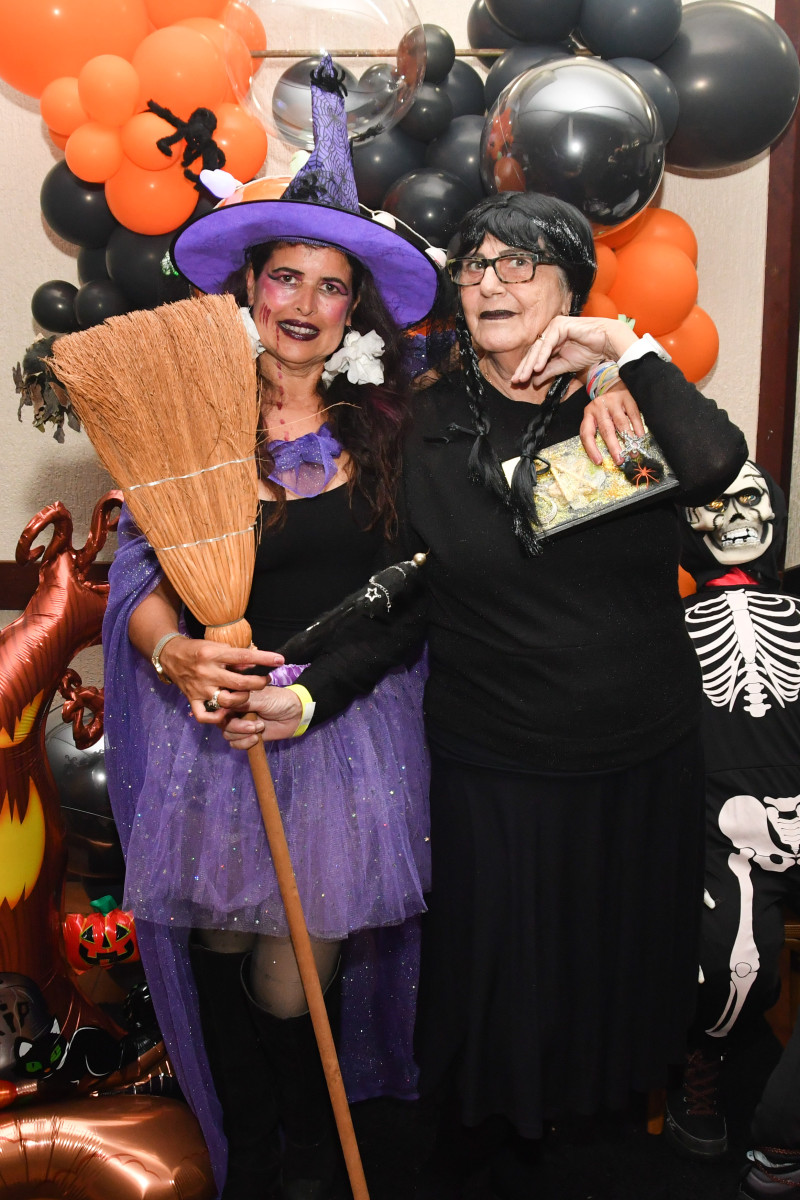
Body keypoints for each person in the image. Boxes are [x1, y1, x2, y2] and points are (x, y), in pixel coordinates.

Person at [225, 190, 749, 1198]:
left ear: (570, 284)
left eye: (520, 262)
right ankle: (488, 1151)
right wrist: (308, 699)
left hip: (635, 758)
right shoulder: (415, 423)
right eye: (474, 264)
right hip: (494, 762)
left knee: (612, 976)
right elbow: (400, 605)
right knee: (495, 990)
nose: (491, 281)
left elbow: (715, 462)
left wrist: (620, 351)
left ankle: (596, 1143)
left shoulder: (623, 401)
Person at [102, 58, 441, 1200]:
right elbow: (142, 574)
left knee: (292, 979)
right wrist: (172, 650)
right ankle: (248, 1153)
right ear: (251, 287)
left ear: (354, 309)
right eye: (284, 276)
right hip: (212, 737)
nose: (302, 303)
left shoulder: (393, 431)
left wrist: (309, 694)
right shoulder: (194, 421)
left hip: (336, 735)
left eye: (330, 287)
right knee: (215, 950)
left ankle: (306, 1151)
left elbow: (413, 600)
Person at [664, 463, 800, 1198]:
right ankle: (702, 1060)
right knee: (732, 969)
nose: (733, 517)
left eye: (748, 499)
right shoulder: (667, 629)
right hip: (726, 828)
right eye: (712, 504)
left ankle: (784, 1121)